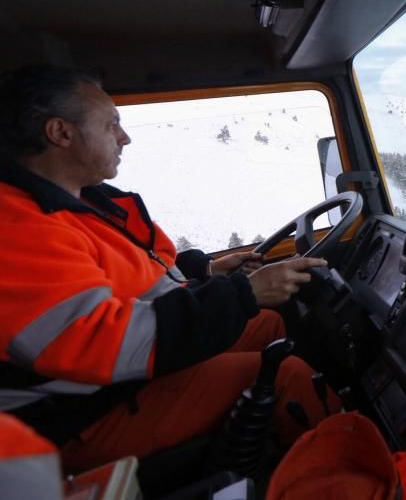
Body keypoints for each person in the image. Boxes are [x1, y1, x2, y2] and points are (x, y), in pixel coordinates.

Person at [0, 65, 340, 474]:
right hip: (78, 410)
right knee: (289, 375)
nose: (124, 137)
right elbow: (97, 343)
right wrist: (242, 293)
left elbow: (131, 273)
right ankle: (345, 470)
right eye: (111, 125)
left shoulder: (81, 200)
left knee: (267, 326)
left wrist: (208, 272)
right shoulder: (16, 225)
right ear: (61, 133)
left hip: (114, 373)